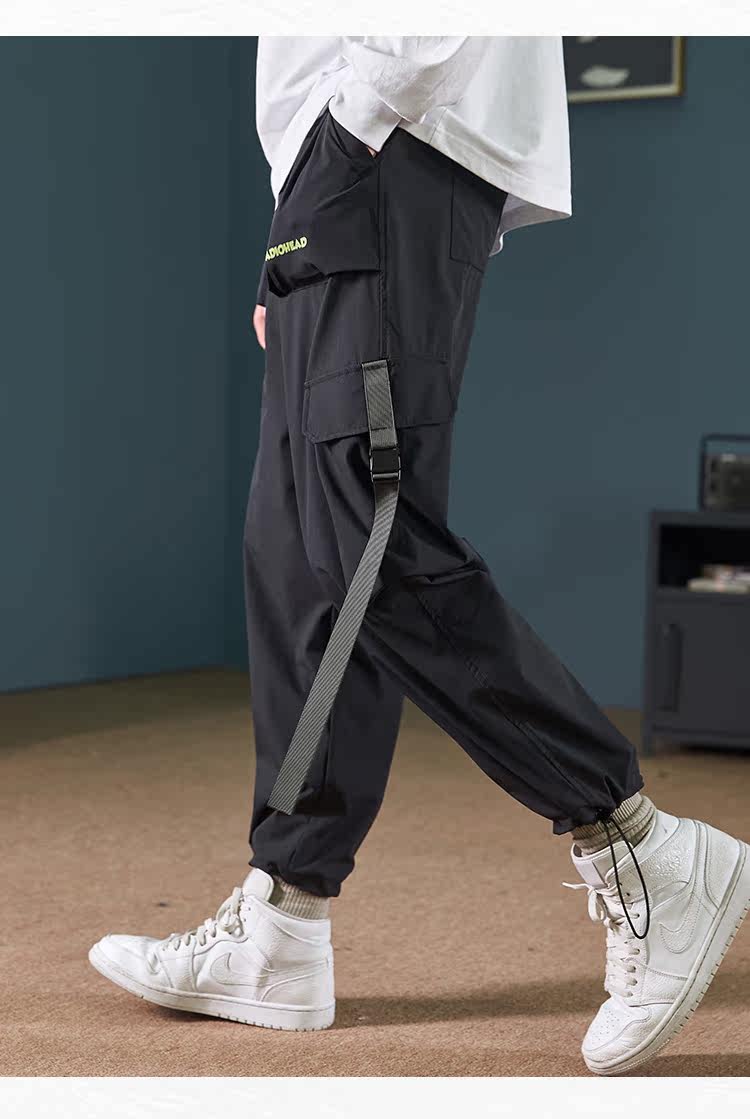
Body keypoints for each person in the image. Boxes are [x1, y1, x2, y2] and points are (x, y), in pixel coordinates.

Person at [89, 36, 749, 1076]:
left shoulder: (376, 121)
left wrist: (357, 122)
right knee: (299, 557)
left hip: (387, 138)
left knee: (368, 543)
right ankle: (284, 923)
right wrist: (298, 208)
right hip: (330, 172)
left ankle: (639, 844)